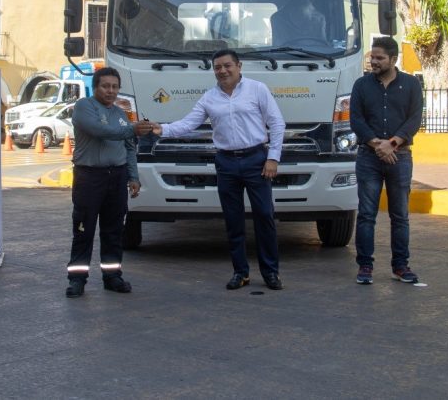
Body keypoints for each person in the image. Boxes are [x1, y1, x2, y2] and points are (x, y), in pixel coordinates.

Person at [154, 49, 286, 291]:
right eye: (218, 67)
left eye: (227, 65)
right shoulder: (209, 98)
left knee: (265, 216)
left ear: (239, 66)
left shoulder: (257, 89)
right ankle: (240, 272)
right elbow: (187, 124)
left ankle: (270, 272)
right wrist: (161, 129)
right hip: (226, 163)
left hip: (257, 160)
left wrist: (273, 158)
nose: (222, 71)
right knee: (233, 220)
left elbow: (277, 123)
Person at [65, 67, 154, 297]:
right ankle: (77, 279)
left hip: (117, 176)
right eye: (106, 86)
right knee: (84, 230)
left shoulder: (121, 114)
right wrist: (132, 129)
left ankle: (113, 276)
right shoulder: (85, 107)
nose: (110, 91)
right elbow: (101, 131)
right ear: (96, 87)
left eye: (115, 87)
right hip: (89, 177)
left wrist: (133, 177)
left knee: (114, 231)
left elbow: (129, 148)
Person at [349, 36, 424, 285]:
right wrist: (376, 144)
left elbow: (414, 119)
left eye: (380, 57)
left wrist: (391, 143)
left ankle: (400, 266)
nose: (374, 61)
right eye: (372, 57)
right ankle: (365, 266)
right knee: (367, 214)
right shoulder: (361, 85)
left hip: (400, 157)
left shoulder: (411, 84)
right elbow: (356, 120)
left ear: (393, 59)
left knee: (400, 215)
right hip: (368, 157)